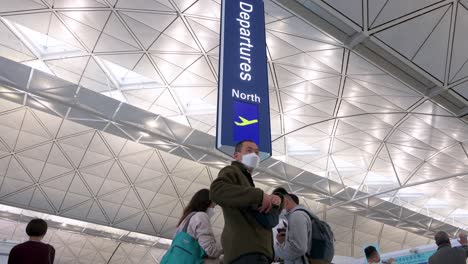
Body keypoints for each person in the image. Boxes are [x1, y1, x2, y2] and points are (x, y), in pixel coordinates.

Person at [210, 140, 282, 264]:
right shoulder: (232, 170)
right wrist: (259, 195)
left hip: (253, 253)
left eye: (257, 152)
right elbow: (216, 190)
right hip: (246, 253)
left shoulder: (247, 181)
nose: (254, 155)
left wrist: (276, 199)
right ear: (236, 155)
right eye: (249, 150)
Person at [174, 189, 223, 263]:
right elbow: (210, 250)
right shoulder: (201, 216)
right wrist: (225, 250)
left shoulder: (185, 219)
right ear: (206, 203)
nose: (213, 210)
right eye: (213, 206)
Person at [273, 187, 314, 264]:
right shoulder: (304, 215)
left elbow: (298, 249)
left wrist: (278, 249)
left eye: (278, 206)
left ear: (286, 202)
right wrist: (283, 242)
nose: (278, 210)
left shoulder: (296, 216)